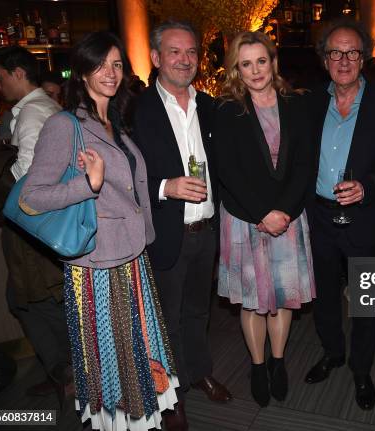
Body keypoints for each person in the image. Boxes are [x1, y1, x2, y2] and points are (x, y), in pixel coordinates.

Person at [19, 31, 178, 430]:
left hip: (132, 256)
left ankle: (143, 420)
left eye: (117, 64)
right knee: (114, 358)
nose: (110, 72)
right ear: (83, 72)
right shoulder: (64, 125)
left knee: (139, 351)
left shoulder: (115, 122)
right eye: (100, 64)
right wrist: (85, 185)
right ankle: (123, 422)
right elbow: (32, 197)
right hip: (97, 266)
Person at [303, 19, 375, 411]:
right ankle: (333, 353)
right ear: (324, 58)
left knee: (365, 301)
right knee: (326, 294)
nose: (343, 60)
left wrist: (368, 187)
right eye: (335, 52)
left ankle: (361, 370)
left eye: (352, 52)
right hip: (319, 217)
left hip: (364, 217)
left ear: (363, 58)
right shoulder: (310, 101)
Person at [133, 20, 232, 430]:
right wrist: (164, 187)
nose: (184, 60)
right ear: (156, 58)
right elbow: (124, 176)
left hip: (206, 230)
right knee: (166, 319)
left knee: (198, 312)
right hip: (166, 233)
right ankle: (171, 397)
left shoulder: (210, 105)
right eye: (175, 52)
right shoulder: (137, 111)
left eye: (191, 52)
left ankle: (200, 371)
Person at [213, 31, 315, 407]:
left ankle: (278, 360)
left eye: (261, 61)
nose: (255, 70)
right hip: (245, 219)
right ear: (236, 70)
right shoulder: (228, 109)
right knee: (253, 301)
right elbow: (227, 170)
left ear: (273, 62)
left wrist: (283, 211)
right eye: (246, 64)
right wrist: (262, 213)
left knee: (285, 296)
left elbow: (305, 163)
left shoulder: (296, 104)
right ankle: (257, 364)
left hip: (288, 218)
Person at [0, 46, 69, 400]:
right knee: (35, 298)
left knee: (34, 299)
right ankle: (65, 372)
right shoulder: (41, 108)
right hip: (38, 224)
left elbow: (31, 176)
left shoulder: (34, 113)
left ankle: (68, 373)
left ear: (18, 73)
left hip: (32, 224)